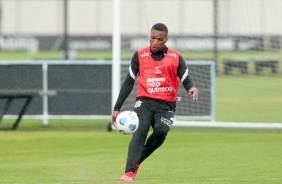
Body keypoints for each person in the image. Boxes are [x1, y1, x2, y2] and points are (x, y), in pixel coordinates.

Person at [111, 23, 198, 182]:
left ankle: (136, 161)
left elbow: (186, 78)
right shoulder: (139, 55)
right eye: (152, 38)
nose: (155, 42)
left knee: (161, 131)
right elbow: (128, 82)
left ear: (166, 39)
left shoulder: (176, 57)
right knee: (140, 130)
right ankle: (129, 172)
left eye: (160, 39)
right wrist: (117, 108)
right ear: (149, 36)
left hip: (166, 105)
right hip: (144, 101)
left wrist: (191, 88)